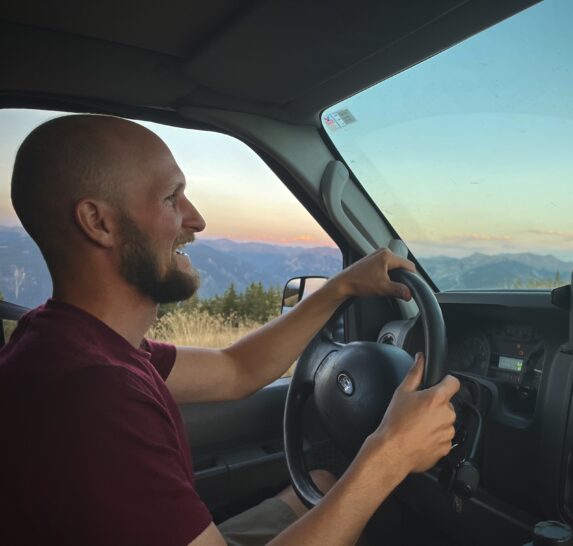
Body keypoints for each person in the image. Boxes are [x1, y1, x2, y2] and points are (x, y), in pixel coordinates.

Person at [0, 115, 460, 546]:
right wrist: (392, 453)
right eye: (171, 198)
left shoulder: (71, 342)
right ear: (99, 222)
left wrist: (340, 287)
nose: (196, 218)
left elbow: (236, 369)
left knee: (319, 485)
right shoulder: (91, 398)